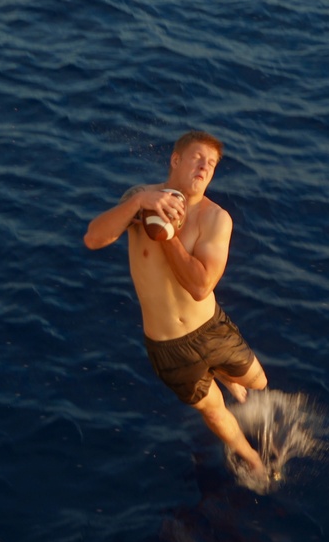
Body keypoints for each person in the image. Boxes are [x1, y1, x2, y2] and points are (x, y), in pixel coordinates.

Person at [84, 131, 269, 477]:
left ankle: (227, 376)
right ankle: (253, 460)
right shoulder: (140, 200)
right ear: (176, 160)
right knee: (213, 410)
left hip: (211, 327)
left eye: (212, 164)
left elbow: (201, 287)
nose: (205, 167)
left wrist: (167, 238)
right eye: (198, 158)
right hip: (168, 346)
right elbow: (93, 238)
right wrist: (140, 205)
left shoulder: (216, 219)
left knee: (259, 384)